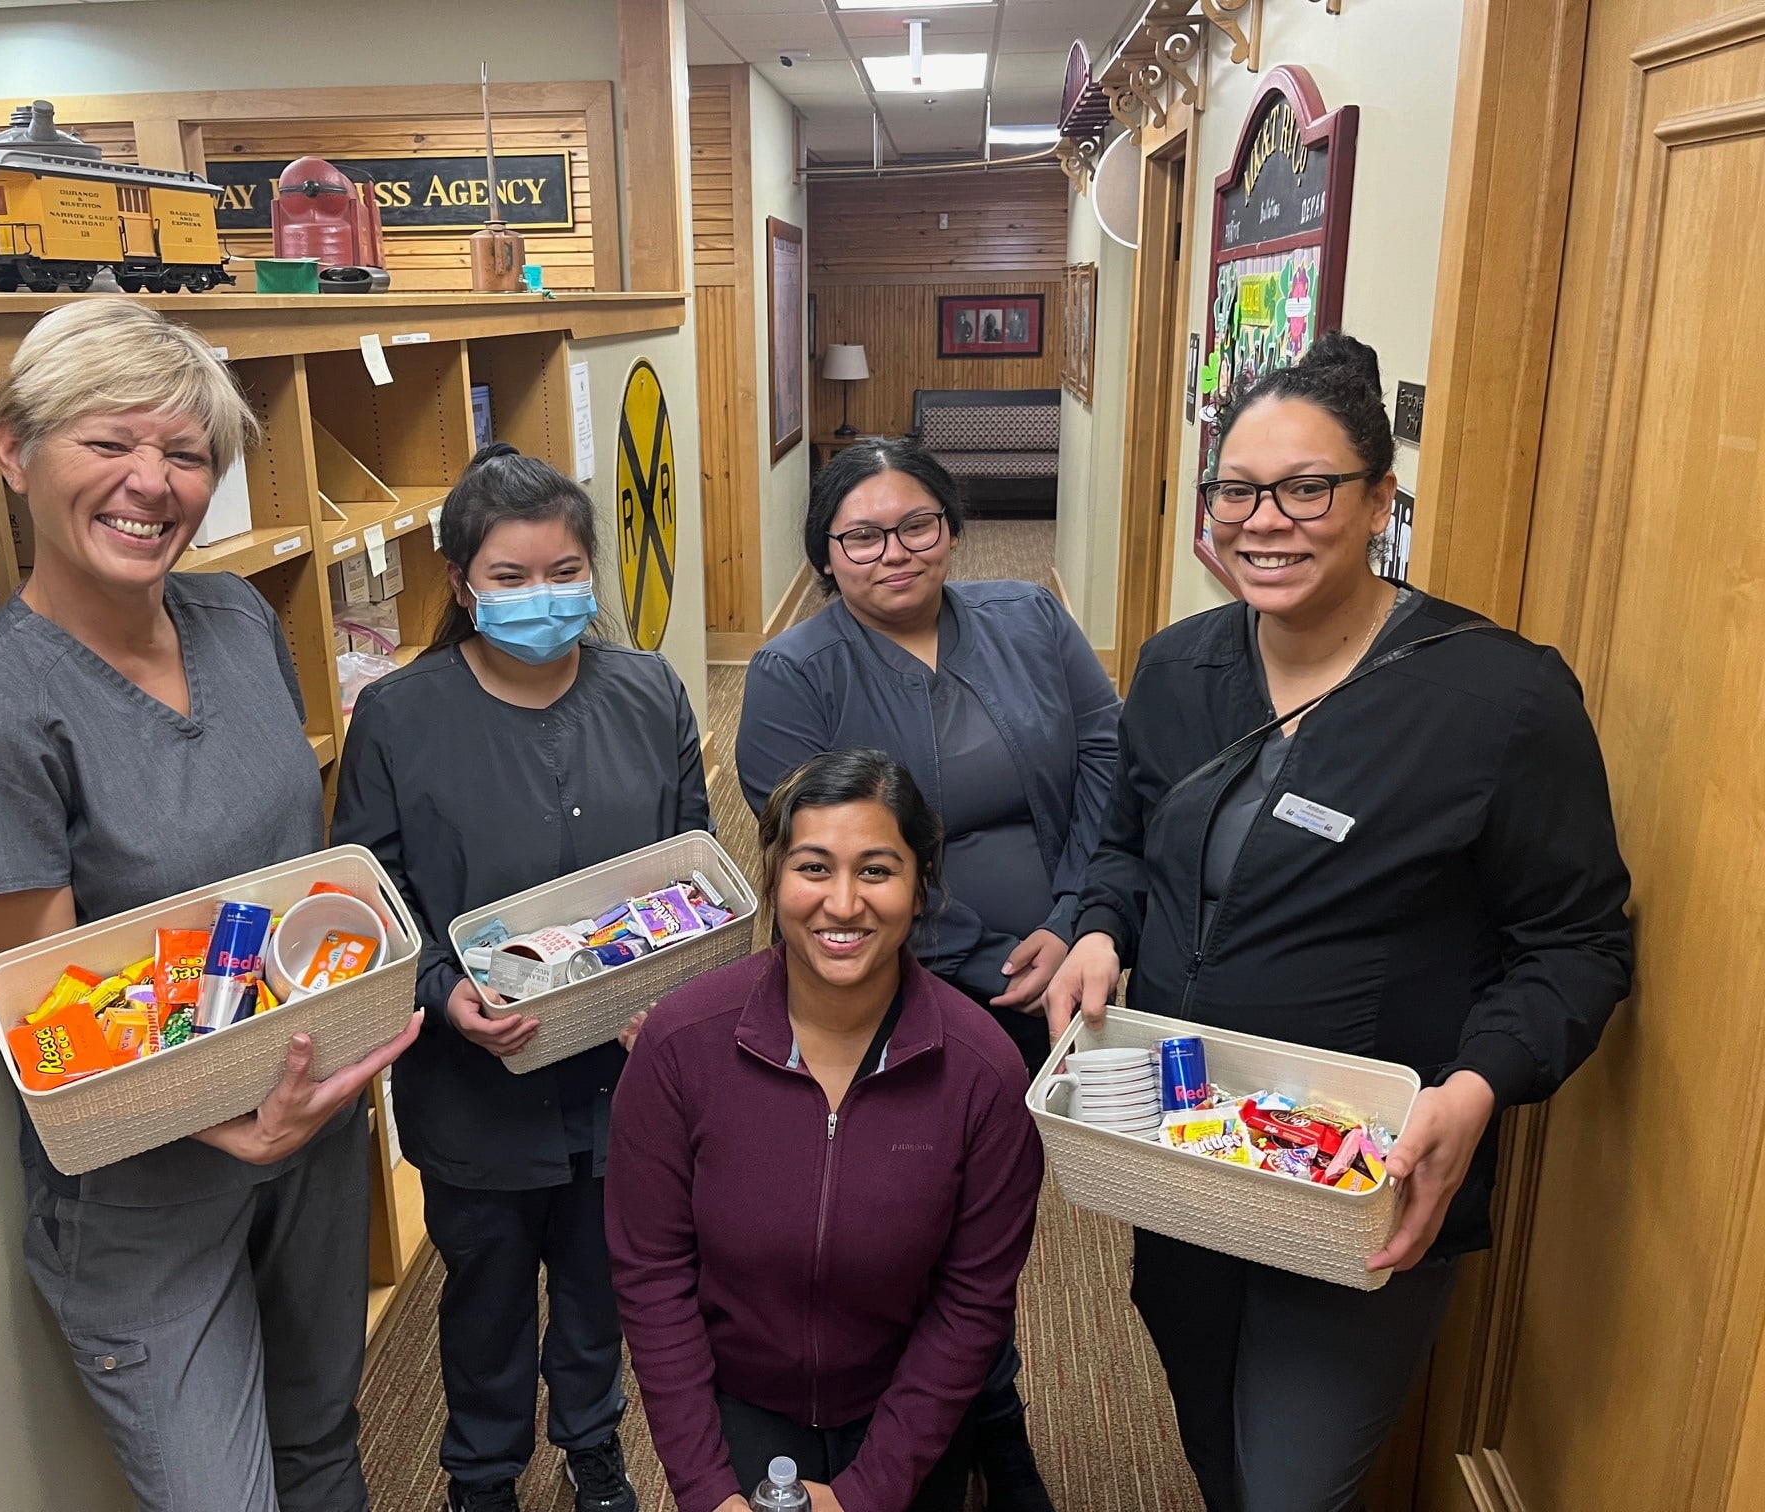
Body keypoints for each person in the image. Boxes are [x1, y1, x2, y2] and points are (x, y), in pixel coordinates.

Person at [1045, 332, 1634, 1512]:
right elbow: (1125, 846)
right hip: (1184, 1142)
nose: (1266, 521)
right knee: (1210, 1436)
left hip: (1362, 1174)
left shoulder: (1500, 700)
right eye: (1238, 490)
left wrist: (1473, 1090)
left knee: (1294, 1485)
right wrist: (1101, 930)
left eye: (1309, 488)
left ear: (1379, 502)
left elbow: (1579, 945)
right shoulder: (1176, 667)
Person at [0, 299, 422, 1512]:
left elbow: (301, 863)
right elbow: (56, 1027)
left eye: (187, 454)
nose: (153, 483)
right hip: (145, 1187)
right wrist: (226, 1123)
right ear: (14, 450)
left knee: (322, 1440)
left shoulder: (238, 617)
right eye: (109, 441)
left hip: (309, 1125)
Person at [330, 442, 710, 1512]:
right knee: (487, 1293)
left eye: (564, 573)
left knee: (608, 1285)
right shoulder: (402, 719)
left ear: (594, 571)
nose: (543, 596)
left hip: (628, 1074)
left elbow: (697, 859)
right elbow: (374, 897)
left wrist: (671, 988)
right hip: (475, 1083)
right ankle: (483, 1475)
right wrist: (442, 990)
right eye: (510, 577)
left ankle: (594, 1447)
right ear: (460, 584)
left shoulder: (649, 691)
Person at [735, 439, 1113, 1509]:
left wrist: (1076, 912)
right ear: (825, 554)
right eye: (860, 535)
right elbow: (810, 859)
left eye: (917, 526)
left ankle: (985, 1405)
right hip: (900, 995)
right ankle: (978, 1418)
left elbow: (1104, 747)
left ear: (951, 529)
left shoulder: (1028, 619)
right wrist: (977, 959)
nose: (892, 552)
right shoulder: (792, 673)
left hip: (1061, 970)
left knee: (1002, 1215)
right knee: (912, 1228)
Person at [608, 749, 1044, 1512]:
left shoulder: (984, 1073)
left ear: (920, 889)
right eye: (813, 868)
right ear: (773, 880)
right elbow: (651, 1277)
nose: (842, 904)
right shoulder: (681, 1046)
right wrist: (710, 1493)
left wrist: (870, 1494)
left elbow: (973, 1303)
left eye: (877, 870)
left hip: (907, 1406)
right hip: (738, 1398)